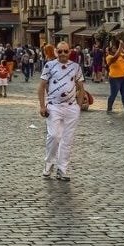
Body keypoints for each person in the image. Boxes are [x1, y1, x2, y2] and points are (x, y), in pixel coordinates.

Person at [38, 41, 84, 181]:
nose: (63, 54)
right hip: (54, 106)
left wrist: (78, 106)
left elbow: (81, 87)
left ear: (69, 52)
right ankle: (49, 163)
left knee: (67, 139)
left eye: (66, 51)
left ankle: (62, 169)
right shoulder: (49, 66)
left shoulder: (75, 67)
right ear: (56, 52)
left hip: (71, 107)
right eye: (60, 51)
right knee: (54, 136)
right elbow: (41, 87)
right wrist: (42, 106)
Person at [106, 40, 124, 114]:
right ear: (110, 50)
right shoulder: (109, 57)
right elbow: (115, 57)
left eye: (116, 48)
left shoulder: (121, 55)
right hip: (114, 78)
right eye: (113, 48)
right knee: (113, 95)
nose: (115, 49)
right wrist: (121, 46)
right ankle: (109, 109)